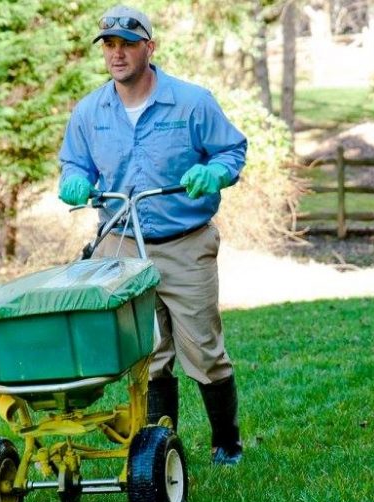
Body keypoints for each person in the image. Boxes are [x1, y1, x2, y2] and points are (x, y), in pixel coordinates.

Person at [56, 4, 247, 466]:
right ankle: (161, 449)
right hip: (120, 240)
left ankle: (226, 442)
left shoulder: (191, 102)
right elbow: (73, 163)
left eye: (127, 44)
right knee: (147, 351)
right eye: (110, 46)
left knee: (202, 347)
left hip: (184, 240)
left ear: (150, 47)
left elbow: (231, 150)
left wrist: (214, 172)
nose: (117, 55)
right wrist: (74, 181)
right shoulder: (90, 111)